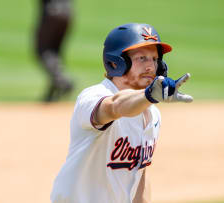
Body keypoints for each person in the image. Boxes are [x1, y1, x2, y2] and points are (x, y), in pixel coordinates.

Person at [50, 23, 193, 203]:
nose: (151, 67)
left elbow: (140, 175)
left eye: (154, 59)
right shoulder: (94, 97)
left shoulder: (152, 114)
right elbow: (115, 106)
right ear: (116, 62)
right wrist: (148, 96)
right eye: (142, 58)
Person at [34, 0, 74, 102]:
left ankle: (61, 80)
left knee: (44, 50)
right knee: (55, 52)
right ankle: (52, 90)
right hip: (68, 12)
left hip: (52, 11)